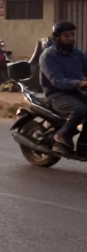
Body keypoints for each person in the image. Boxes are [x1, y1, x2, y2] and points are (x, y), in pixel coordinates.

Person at [39, 20, 87, 154]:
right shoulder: (48, 56)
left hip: (78, 92)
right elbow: (57, 81)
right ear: (56, 38)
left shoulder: (77, 54)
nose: (71, 38)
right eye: (67, 36)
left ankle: (84, 144)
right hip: (57, 94)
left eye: (72, 35)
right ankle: (62, 135)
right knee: (81, 110)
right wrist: (79, 82)